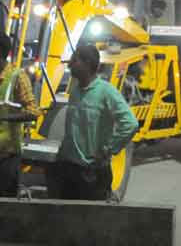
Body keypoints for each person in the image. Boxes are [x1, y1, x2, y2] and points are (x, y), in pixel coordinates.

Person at [47, 44, 139, 200]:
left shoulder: (106, 92)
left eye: (74, 60)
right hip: (68, 167)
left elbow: (130, 124)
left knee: (90, 221)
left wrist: (109, 149)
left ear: (87, 64)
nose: (69, 65)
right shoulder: (75, 90)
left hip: (92, 173)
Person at [0, 31, 41, 197]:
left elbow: (34, 112)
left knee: (6, 207)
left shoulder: (18, 77)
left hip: (7, 155)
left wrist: (0, 117)